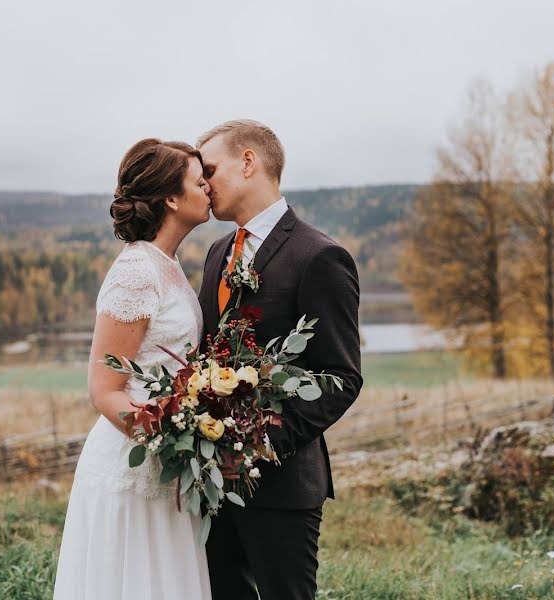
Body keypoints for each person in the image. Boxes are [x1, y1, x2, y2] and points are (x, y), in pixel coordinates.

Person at [196, 119, 363, 600]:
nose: (204, 185)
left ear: (248, 162)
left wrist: (257, 444)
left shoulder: (320, 257)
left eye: (210, 169)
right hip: (210, 483)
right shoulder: (217, 252)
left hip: (281, 484)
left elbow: (341, 377)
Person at [52, 138, 213, 599]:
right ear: (171, 198)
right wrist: (168, 441)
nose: (209, 189)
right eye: (199, 182)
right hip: (135, 465)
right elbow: (105, 389)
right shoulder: (136, 272)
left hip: (170, 470)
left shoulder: (169, 265)